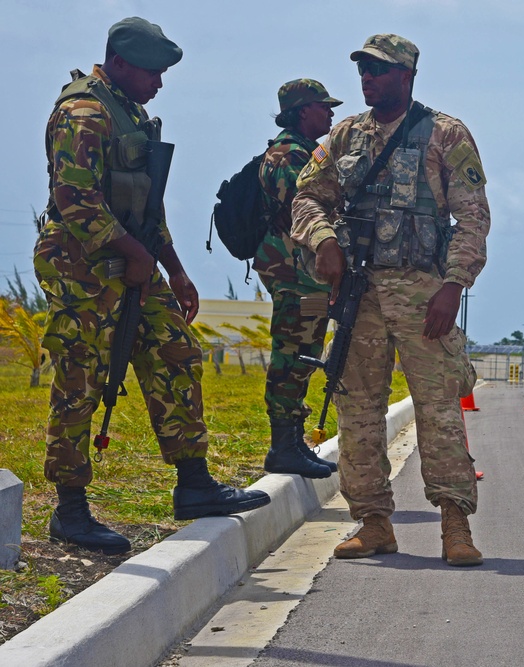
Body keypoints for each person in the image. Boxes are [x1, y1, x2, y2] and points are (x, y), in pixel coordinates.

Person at [34, 17, 270, 555]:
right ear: (118, 63)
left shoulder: (130, 110)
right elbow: (76, 202)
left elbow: (146, 204)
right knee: (81, 377)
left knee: (176, 352)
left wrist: (175, 269)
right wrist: (135, 255)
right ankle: (69, 511)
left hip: (130, 259)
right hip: (80, 263)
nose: (159, 83)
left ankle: (194, 486)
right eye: (152, 72)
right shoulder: (83, 113)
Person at [291, 34, 490, 566]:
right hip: (360, 293)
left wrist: (453, 286)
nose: (367, 78)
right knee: (357, 408)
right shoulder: (345, 135)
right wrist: (323, 239)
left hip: (426, 292)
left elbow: (472, 217)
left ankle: (454, 524)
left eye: (379, 70)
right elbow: (307, 196)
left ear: (406, 75)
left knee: (439, 408)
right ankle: (373, 521)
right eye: (363, 69)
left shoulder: (445, 134)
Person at [254, 79, 343, 479]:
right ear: (303, 110)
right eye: (324, 107)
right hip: (293, 271)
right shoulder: (288, 155)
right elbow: (305, 209)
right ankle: (283, 445)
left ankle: (291, 441)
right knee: (291, 355)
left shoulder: (308, 153)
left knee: (303, 353)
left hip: (305, 272)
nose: (330, 113)